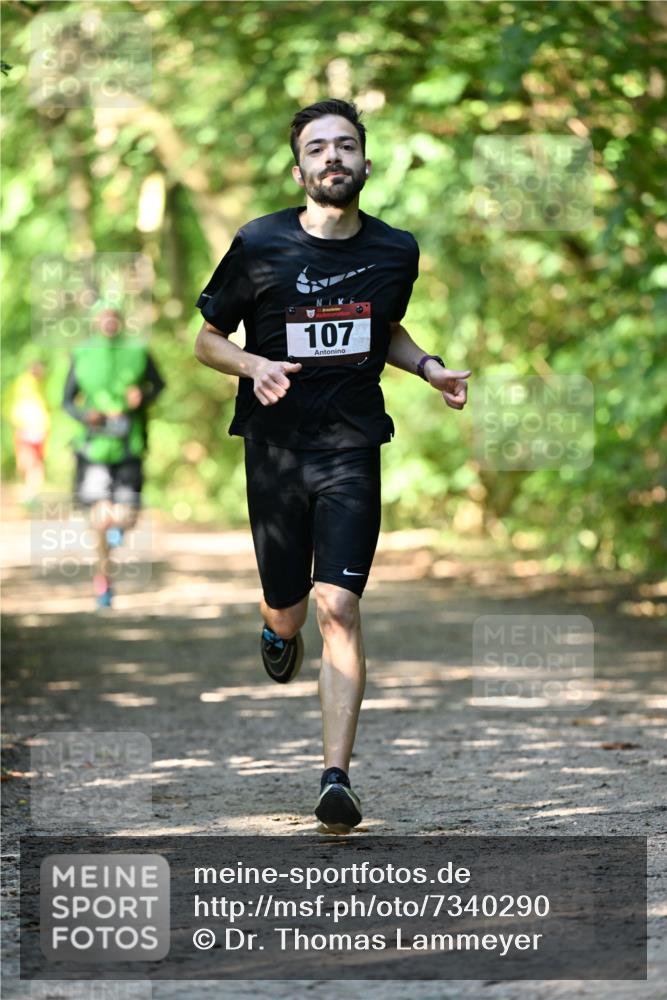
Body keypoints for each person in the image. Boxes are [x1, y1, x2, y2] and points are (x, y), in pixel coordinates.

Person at [194, 99, 470, 833]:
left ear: (365, 163)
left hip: (352, 446)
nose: (332, 157)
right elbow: (206, 339)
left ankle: (335, 779)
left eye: (345, 145)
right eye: (317, 148)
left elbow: (384, 329)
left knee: (338, 606)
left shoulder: (395, 251)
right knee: (288, 611)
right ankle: (277, 633)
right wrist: (253, 364)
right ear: (299, 171)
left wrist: (429, 367)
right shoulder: (259, 243)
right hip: (275, 452)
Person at [63, 300, 165, 609]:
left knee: (126, 516)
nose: (108, 321)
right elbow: (67, 401)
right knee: (100, 519)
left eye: (113, 316)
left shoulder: (138, 351)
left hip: (128, 445)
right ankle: (104, 581)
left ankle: (118, 531)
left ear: (119, 320)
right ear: (95, 321)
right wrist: (86, 415)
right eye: (103, 316)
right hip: (92, 449)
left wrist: (141, 396)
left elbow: (159, 385)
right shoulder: (82, 353)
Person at [9, 361, 50, 508]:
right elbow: (15, 407)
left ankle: (31, 494)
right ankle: (28, 493)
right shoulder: (22, 385)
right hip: (26, 430)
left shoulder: (41, 386)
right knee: (27, 463)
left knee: (35, 464)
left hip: (38, 431)